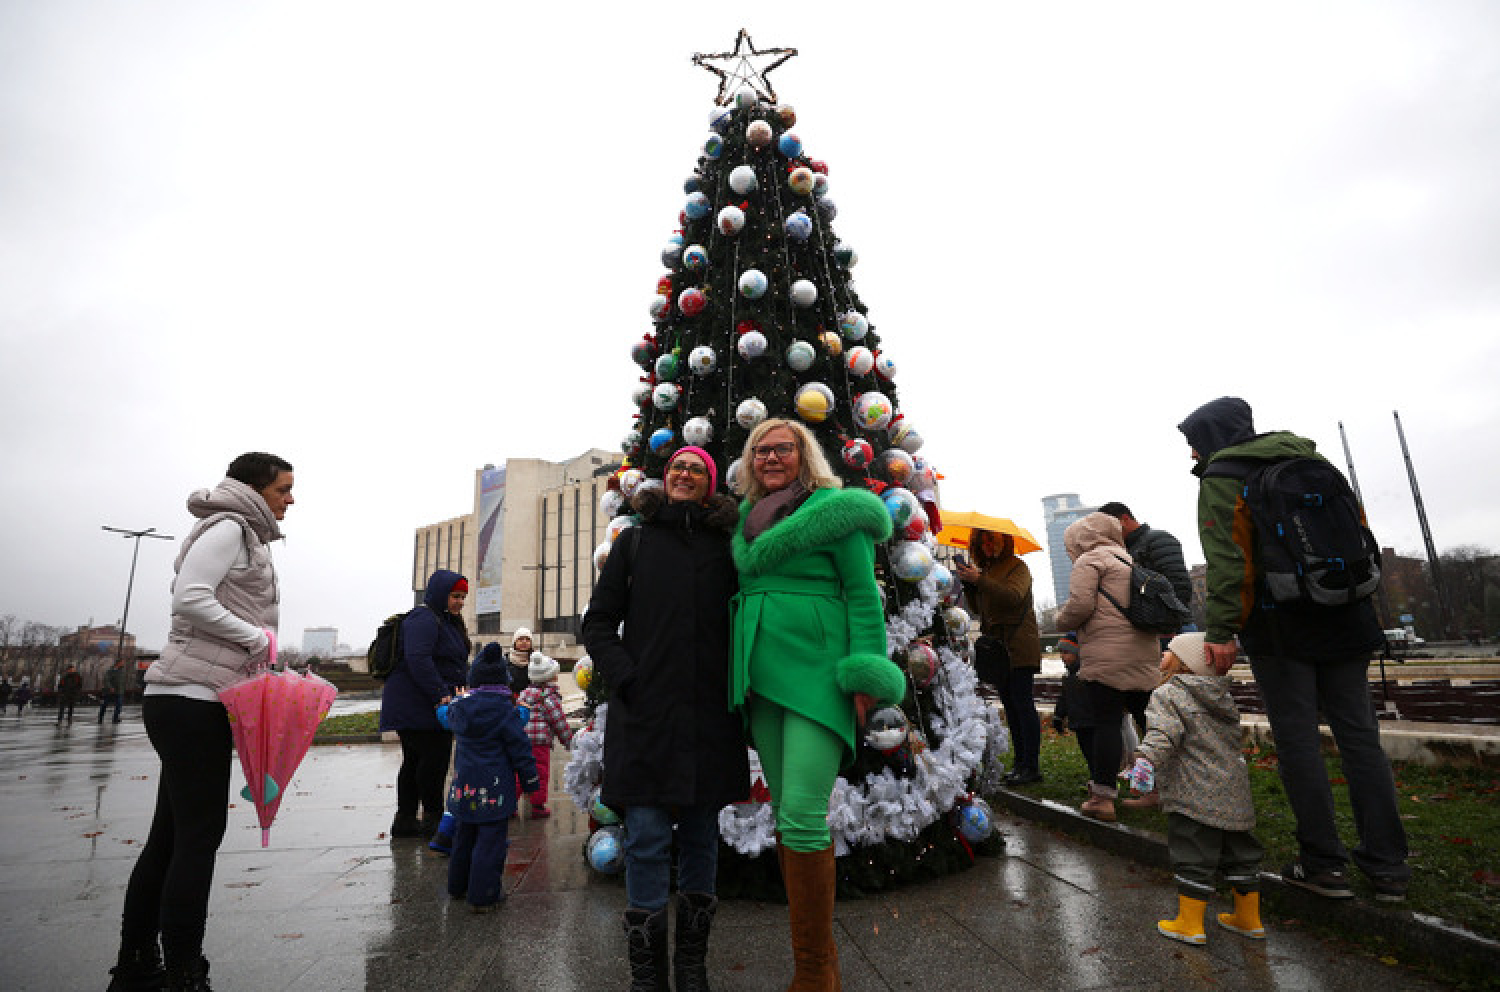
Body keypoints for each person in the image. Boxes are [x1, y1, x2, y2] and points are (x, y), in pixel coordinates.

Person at [1179, 396, 1409, 903]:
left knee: (1299, 742)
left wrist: (1221, 632)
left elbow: (1229, 562)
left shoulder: (1224, 475)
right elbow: (1360, 534)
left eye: (1193, 442)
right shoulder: (1314, 462)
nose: (1191, 454)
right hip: (1347, 613)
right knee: (1361, 739)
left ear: (1213, 436)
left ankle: (1324, 864)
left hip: (1281, 625)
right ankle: (1389, 867)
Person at [728, 420, 906, 991]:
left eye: (783, 447)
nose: (770, 456)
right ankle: (819, 958)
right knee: (787, 818)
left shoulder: (836, 510)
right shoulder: (745, 518)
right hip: (761, 672)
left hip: (818, 674)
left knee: (803, 815)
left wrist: (866, 680)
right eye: (761, 449)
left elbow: (863, 598)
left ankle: (813, 973)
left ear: (805, 455)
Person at [108, 451, 293, 992]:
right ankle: (184, 970)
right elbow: (190, 597)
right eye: (284, 488)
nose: (291, 498)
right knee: (196, 838)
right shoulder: (230, 528)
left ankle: (139, 960)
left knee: (169, 838)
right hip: (192, 701)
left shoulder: (241, 533)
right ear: (257, 489)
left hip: (191, 698)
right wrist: (259, 640)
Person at [583, 444, 749, 992]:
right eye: (678, 466)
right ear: (665, 477)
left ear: (709, 484)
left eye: (696, 469)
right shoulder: (634, 541)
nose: (685, 473)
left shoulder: (728, 546)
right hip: (645, 715)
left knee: (702, 835)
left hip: (708, 715)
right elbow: (599, 622)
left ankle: (693, 970)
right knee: (648, 836)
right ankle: (648, 978)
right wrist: (627, 677)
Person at [1124, 632, 1264, 946]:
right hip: (1234, 793)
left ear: (1184, 664)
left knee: (1193, 856)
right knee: (1241, 855)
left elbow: (1163, 733)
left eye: (1167, 653)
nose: (1161, 656)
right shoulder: (1221, 696)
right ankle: (1249, 918)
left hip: (1193, 794)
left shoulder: (1168, 694)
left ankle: (1190, 923)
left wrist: (1145, 760)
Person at [1054, 511, 1160, 823]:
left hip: (1108, 656)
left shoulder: (1090, 561)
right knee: (1147, 722)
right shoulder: (1129, 560)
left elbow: (1081, 606)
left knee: (1106, 723)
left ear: (1082, 538)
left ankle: (1102, 798)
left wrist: (1061, 620)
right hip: (1143, 652)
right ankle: (1153, 790)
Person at [440, 651, 539, 913]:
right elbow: (520, 749)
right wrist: (529, 781)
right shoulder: (506, 711)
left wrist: (444, 704)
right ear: (504, 682)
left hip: (464, 788)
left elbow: (445, 715)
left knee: (464, 837)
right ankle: (483, 896)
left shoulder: (459, 709)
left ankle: (457, 887)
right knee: (490, 843)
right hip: (495, 791)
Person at [379, 569, 471, 841]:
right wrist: (440, 694)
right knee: (433, 761)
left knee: (416, 761)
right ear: (441, 594)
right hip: (420, 705)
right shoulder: (424, 617)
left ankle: (406, 820)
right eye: (455, 596)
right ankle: (433, 822)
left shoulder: (447, 621)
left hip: (423, 704)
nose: (459, 602)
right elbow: (418, 658)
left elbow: (452, 661)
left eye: (463, 597)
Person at [955, 530, 1043, 784]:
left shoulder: (1017, 566)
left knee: (1023, 704)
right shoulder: (988, 570)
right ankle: (1020, 763)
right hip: (998, 650)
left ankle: (1031, 765)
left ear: (1005, 542)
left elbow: (1013, 597)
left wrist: (980, 580)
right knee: (1012, 707)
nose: (988, 545)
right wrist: (971, 586)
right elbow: (979, 609)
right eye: (982, 542)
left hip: (1018, 646)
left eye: (993, 540)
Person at [1097, 501, 1194, 629]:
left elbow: (1179, 585)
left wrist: (1168, 621)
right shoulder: (1123, 550)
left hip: (1171, 627)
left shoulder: (1159, 539)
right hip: (1146, 627)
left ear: (1124, 519)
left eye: (1108, 527)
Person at [517, 654, 574, 818]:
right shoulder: (548, 697)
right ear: (549, 677)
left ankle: (510, 805)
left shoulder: (524, 694)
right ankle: (537, 806)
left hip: (521, 740)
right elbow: (558, 721)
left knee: (519, 772)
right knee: (540, 772)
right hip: (539, 743)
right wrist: (569, 741)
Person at [506, 627, 548, 695]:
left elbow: (544, 685)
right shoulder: (506, 660)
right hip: (511, 700)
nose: (524, 642)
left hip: (533, 701)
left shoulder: (537, 660)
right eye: (520, 639)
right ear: (514, 642)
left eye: (528, 639)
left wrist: (542, 696)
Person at [100, 658, 127, 723]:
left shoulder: (122, 671)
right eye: (122, 662)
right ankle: (100, 717)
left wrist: (123, 689)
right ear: (118, 663)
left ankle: (115, 718)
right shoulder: (110, 671)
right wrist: (110, 687)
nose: (123, 664)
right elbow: (106, 680)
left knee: (119, 705)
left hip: (119, 691)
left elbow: (122, 681)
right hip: (110, 691)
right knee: (105, 704)